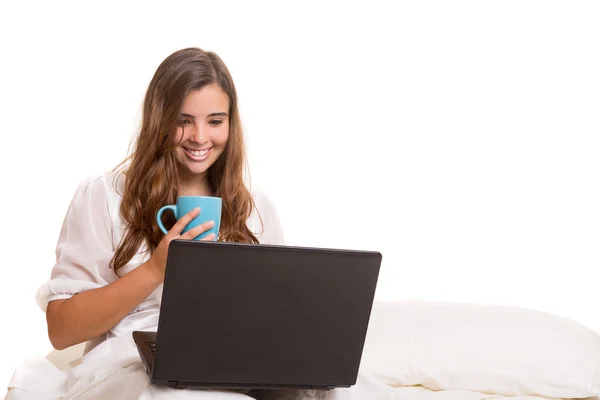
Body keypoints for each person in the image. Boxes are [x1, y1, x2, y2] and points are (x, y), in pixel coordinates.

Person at [5, 48, 326, 400]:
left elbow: (274, 316)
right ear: (159, 120)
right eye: (183, 120)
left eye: (215, 121)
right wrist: (156, 269)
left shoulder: (255, 210)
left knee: (332, 391)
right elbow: (62, 331)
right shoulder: (105, 195)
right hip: (132, 362)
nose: (200, 137)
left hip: (234, 358)